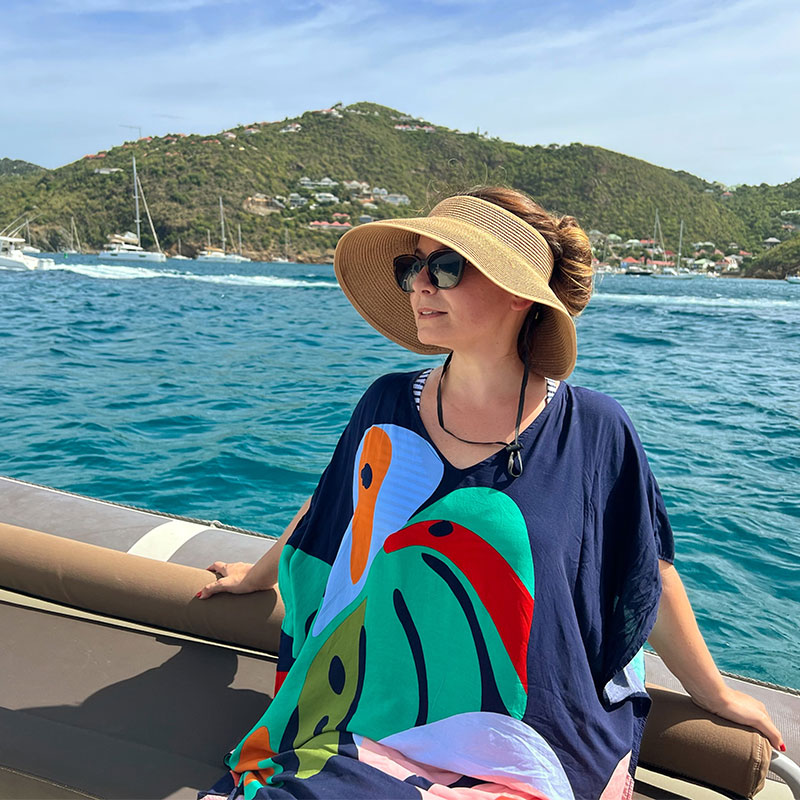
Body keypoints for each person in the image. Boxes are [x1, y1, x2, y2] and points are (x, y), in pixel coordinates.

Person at [198, 187, 784, 800]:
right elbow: (336, 514)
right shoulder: (387, 405)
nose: (421, 284)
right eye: (411, 267)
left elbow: (644, 573)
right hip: (374, 717)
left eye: (445, 267)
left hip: (535, 740)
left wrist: (715, 694)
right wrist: (259, 577)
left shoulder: (597, 430)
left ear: (516, 292)